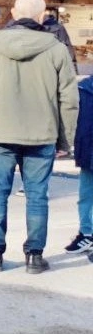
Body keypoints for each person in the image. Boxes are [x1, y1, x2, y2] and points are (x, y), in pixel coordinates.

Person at [0, 0, 77, 274]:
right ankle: (34, 256)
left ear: (15, 14)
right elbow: (69, 98)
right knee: (37, 196)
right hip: (42, 135)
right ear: (42, 17)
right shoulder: (56, 49)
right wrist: (65, 139)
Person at [68, 75, 93, 256]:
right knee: (86, 194)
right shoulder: (83, 88)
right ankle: (87, 233)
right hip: (88, 149)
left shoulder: (83, 87)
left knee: (86, 194)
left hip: (88, 148)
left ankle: (87, 233)